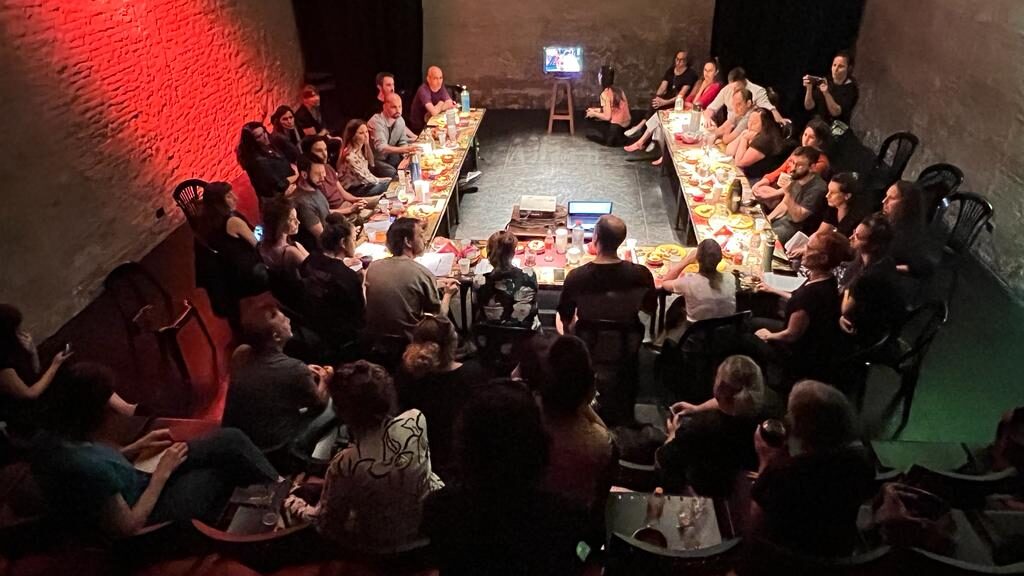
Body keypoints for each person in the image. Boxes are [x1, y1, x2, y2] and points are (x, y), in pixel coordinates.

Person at [30, 362, 280, 538]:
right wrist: (162, 474)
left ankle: (281, 492)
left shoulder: (52, 436)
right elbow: (127, 527)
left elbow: (104, 467)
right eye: (109, 404)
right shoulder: (86, 468)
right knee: (221, 469)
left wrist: (136, 447)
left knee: (230, 439)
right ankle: (273, 516)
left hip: (139, 480)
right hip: (149, 516)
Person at [422, 381, 589, 576]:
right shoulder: (569, 517)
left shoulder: (439, 509)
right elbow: (583, 559)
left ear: (465, 444)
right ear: (537, 444)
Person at [284, 361, 443, 553]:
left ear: (341, 410)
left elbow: (327, 525)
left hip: (380, 548)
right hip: (425, 530)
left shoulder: (347, 462)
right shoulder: (416, 419)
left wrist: (293, 503)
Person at [748, 380, 874, 556]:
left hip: (789, 559)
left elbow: (755, 525)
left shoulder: (783, 474)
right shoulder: (862, 460)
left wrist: (765, 461)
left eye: (791, 414)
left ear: (803, 429)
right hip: (839, 550)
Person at [223, 303, 334, 467]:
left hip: (241, 443)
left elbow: (266, 381)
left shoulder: (240, 353)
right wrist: (326, 379)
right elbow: (318, 404)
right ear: (276, 336)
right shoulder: (294, 369)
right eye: (283, 319)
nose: (288, 319)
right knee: (334, 402)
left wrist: (302, 373)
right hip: (276, 449)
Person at [658, 355, 769, 496]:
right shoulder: (767, 416)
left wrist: (673, 432)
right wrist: (697, 408)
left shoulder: (699, 429)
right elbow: (732, 400)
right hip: (745, 488)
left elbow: (663, 458)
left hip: (706, 492)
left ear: (719, 388)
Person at [397, 315, 488, 479]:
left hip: (415, 459)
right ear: (453, 344)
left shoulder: (405, 375)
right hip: (459, 461)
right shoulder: (473, 375)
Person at [537, 336, 616, 527]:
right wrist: (581, 399)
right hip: (578, 531)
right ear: (589, 386)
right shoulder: (600, 444)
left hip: (529, 525)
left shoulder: (522, 420)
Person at [754, 230, 848, 383]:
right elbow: (800, 303)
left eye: (809, 248)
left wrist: (768, 336)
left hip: (796, 354)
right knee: (753, 321)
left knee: (747, 335)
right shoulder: (828, 280)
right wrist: (772, 289)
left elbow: (791, 334)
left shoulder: (809, 295)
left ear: (823, 258)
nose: (804, 251)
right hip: (809, 342)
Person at [557, 215, 656, 334]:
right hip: (625, 337)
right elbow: (650, 308)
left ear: (595, 238)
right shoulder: (642, 274)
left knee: (559, 315)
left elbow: (565, 317)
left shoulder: (576, 277)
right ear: (621, 240)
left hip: (587, 337)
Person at [363, 218, 459, 339]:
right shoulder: (421, 273)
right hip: (410, 340)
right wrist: (448, 294)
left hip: (377, 338)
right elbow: (439, 317)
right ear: (408, 242)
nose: (424, 240)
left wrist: (435, 283)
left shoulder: (373, 267)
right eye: (420, 236)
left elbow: (401, 283)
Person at [625, 58, 722, 158]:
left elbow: (697, 104)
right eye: (705, 70)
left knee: (663, 121)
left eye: (710, 71)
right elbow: (688, 99)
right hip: (689, 113)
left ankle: (653, 149)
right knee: (660, 117)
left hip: (701, 119)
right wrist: (699, 89)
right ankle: (650, 147)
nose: (707, 73)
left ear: (716, 72)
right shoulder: (700, 82)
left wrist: (701, 89)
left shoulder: (715, 86)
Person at [301, 215, 366, 350]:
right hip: (342, 335)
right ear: (343, 243)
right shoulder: (347, 276)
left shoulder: (310, 259)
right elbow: (361, 312)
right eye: (353, 239)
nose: (354, 244)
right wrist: (364, 281)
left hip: (314, 324)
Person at [839, 214, 905, 345]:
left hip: (868, 333)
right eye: (854, 232)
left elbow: (845, 309)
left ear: (874, 246)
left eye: (858, 237)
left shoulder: (870, 276)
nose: (851, 237)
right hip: (870, 318)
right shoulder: (884, 260)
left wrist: (846, 288)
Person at [659, 239, 738, 341]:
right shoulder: (730, 278)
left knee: (676, 305)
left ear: (697, 259)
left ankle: (666, 337)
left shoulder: (689, 282)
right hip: (724, 333)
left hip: (697, 334)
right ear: (720, 259)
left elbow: (665, 282)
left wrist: (686, 261)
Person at [752, 119, 832, 210]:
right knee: (758, 189)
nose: (805, 140)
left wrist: (773, 194)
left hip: (794, 197)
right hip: (779, 187)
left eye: (811, 137)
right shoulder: (799, 151)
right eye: (805, 135)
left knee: (764, 195)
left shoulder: (821, 162)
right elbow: (780, 170)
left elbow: (797, 185)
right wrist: (763, 181)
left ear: (819, 141)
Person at [787, 172, 864, 258]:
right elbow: (820, 233)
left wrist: (806, 250)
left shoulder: (857, 218)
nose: (827, 195)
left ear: (847, 196)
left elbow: (847, 249)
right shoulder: (833, 208)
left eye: (833, 193)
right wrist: (805, 247)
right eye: (828, 191)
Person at [472, 230, 539, 329]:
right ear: (513, 253)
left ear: (489, 254)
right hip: (525, 334)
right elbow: (534, 301)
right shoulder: (529, 275)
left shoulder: (479, 281)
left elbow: (476, 305)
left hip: (491, 333)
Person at [882, 180, 940, 287]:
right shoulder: (884, 220)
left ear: (906, 204)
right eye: (886, 196)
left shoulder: (908, 237)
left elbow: (925, 267)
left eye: (892, 198)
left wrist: (894, 269)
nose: (884, 201)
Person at [767, 147, 829, 245]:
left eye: (799, 165)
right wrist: (768, 219)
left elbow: (798, 217)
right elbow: (784, 204)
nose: (792, 168)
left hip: (797, 230)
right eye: (792, 162)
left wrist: (787, 193)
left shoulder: (818, 188)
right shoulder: (797, 177)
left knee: (766, 239)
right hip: (784, 221)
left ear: (812, 167)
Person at [301, 136, 372, 214]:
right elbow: (324, 212)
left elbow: (343, 192)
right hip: (338, 213)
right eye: (319, 151)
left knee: (379, 200)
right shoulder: (310, 180)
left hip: (347, 204)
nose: (325, 154)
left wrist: (357, 200)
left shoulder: (328, 167)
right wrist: (349, 209)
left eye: (325, 149)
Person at [236, 121, 296, 207]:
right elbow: (280, 185)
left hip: (288, 192)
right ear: (251, 141)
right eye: (259, 136)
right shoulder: (258, 161)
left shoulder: (269, 146)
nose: (265, 136)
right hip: (278, 202)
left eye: (264, 131)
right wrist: (297, 174)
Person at [705, 67, 786, 126]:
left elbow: (770, 109)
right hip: (730, 126)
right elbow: (711, 108)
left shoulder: (757, 91)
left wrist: (780, 120)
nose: (733, 90)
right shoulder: (727, 89)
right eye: (731, 87)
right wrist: (708, 118)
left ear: (744, 81)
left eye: (736, 87)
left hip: (747, 128)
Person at [367, 93, 418, 179]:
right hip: (376, 161)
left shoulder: (400, 120)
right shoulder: (376, 121)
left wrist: (406, 157)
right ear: (384, 107)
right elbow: (381, 147)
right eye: (394, 107)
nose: (398, 110)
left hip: (392, 157)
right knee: (396, 176)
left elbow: (402, 142)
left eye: (400, 106)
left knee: (412, 166)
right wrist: (405, 149)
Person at [726, 107, 786, 179]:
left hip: (755, 179)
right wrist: (742, 134)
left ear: (764, 125)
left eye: (755, 123)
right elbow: (729, 152)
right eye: (749, 121)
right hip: (745, 173)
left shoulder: (764, 140)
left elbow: (739, 163)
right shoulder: (750, 133)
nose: (750, 125)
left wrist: (744, 139)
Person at [337, 119, 391, 198]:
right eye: (361, 133)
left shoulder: (360, 150)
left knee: (389, 182)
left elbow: (371, 164)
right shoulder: (350, 156)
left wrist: (367, 145)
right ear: (352, 136)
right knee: (387, 185)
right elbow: (366, 179)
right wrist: (386, 181)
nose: (366, 135)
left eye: (366, 132)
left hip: (364, 184)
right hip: (354, 190)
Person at [803, 51, 859, 126]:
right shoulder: (826, 81)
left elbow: (836, 112)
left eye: (841, 66)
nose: (836, 69)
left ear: (848, 69)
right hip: (821, 124)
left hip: (838, 127)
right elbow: (809, 106)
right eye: (834, 65)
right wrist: (809, 89)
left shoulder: (851, 88)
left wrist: (826, 93)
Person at [290, 157, 333, 253]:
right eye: (318, 174)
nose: (323, 178)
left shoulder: (314, 187)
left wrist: (350, 209)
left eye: (323, 173)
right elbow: (322, 237)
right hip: (322, 251)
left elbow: (324, 211)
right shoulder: (302, 202)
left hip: (330, 236)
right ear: (304, 174)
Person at [257, 197, 309, 274]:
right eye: (292, 219)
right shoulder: (291, 252)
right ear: (280, 224)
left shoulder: (260, 246)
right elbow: (314, 272)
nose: (298, 222)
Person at [585, 65, 631, 147]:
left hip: (615, 130)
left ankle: (608, 139)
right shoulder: (619, 90)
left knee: (590, 123)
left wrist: (593, 114)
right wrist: (595, 110)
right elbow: (614, 109)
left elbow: (607, 117)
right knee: (593, 114)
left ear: (602, 78)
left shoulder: (605, 94)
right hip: (626, 126)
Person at [409, 66, 456, 134]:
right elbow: (433, 112)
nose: (439, 81)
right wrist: (442, 102)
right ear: (428, 79)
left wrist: (439, 108)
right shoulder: (423, 90)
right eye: (435, 78)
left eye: (440, 78)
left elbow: (450, 103)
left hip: (432, 120)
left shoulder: (440, 87)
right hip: (420, 126)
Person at [375, 72, 418, 140]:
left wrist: (414, 136)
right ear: (379, 87)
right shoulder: (375, 108)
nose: (392, 88)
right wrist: (410, 139)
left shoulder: (395, 100)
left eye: (393, 84)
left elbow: (400, 124)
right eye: (388, 85)